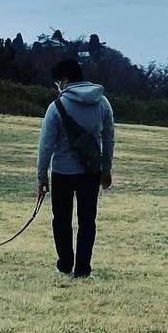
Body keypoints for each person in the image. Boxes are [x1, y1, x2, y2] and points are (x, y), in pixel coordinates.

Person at [36, 58, 114, 278]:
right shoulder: (103, 103)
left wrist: (42, 177)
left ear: (64, 80)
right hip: (91, 171)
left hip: (62, 172)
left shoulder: (56, 107)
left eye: (57, 82)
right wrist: (106, 169)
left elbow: (46, 145)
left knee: (61, 220)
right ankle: (82, 270)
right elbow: (109, 139)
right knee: (87, 220)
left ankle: (64, 264)